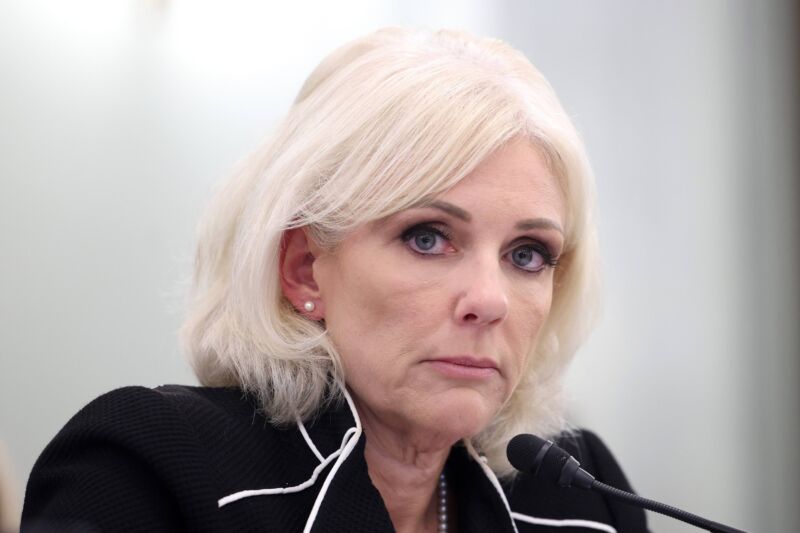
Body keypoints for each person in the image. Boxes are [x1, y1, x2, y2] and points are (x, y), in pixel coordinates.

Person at [22, 28, 648, 532]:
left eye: (528, 254)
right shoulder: (151, 468)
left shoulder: (583, 496)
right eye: (427, 237)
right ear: (302, 269)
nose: (489, 300)